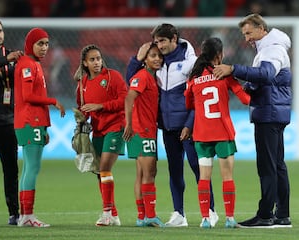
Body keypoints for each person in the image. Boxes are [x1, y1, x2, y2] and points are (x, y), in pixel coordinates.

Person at [126, 23, 218, 227]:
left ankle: (209, 211)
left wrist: (189, 124)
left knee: (198, 168)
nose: (159, 46)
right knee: (175, 171)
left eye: (162, 41)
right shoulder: (156, 63)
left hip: (188, 127)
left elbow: (200, 96)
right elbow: (131, 82)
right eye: (156, 42)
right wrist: (136, 59)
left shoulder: (190, 62)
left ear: (174, 38)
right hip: (167, 128)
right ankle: (179, 214)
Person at [213, 13, 293, 228]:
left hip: (269, 113)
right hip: (274, 111)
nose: (246, 38)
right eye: (244, 34)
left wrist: (234, 69)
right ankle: (282, 215)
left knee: (268, 166)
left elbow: (266, 74)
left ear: (261, 28)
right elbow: (265, 81)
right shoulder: (269, 49)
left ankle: (266, 215)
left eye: (249, 33)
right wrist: (243, 86)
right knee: (276, 165)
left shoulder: (272, 49)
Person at [184, 37, 250, 228]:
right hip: (222, 132)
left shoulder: (193, 78)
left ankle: (205, 218)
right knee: (227, 177)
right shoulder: (225, 74)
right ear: (219, 55)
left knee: (204, 177)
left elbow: (188, 104)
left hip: (202, 135)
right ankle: (229, 219)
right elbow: (245, 100)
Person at [14, 27, 65, 227]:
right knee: (32, 168)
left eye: (46, 44)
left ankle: (25, 215)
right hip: (29, 121)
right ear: (30, 45)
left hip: (34, 123)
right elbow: (27, 97)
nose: (44, 48)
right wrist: (53, 101)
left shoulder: (33, 64)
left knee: (29, 168)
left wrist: (45, 127)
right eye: (40, 44)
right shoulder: (28, 65)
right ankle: (27, 216)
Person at [73, 44, 127, 227]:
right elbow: (83, 109)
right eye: (92, 60)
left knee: (104, 167)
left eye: (98, 58)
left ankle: (105, 213)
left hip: (116, 126)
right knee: (100, 173)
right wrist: (81, 119)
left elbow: (124, 100)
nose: (97, 62)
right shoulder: (83, 84)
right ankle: (114, 214)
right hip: (98, 130)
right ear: (85, 63)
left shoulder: (113, 76)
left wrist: (101, 106)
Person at [123, 42, 164, 227]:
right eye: (153, 55)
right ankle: (151, 215)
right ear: (145, 59)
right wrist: (129, 124)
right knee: (150, 173)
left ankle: (142, 216)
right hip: (143, 131)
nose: (157, 59)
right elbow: (129, 97)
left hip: (144, 130)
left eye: (159, 55)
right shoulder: (142, 76)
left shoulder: (151, 78)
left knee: (141, 174)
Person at [0, 18, 22, 225]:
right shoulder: (4, 58)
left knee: (11, 170)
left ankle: (14, 213)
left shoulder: (11, 56)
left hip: (9, 122)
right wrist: (7, 59)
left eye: (0, 31)